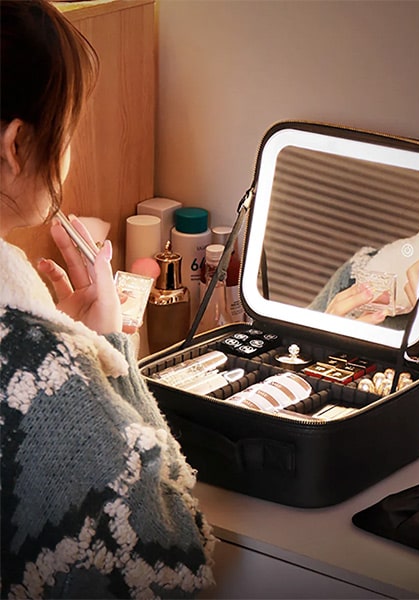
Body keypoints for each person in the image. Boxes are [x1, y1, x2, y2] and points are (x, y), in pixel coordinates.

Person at [0, 1, 214, 597]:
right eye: (68, 132)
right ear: (16, 144)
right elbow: (172, 558)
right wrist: (104, 353)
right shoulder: (39, 370)